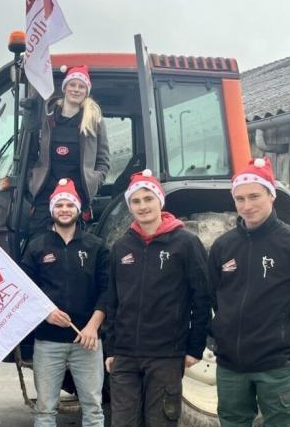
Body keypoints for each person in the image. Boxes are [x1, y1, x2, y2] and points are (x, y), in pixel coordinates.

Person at [208, 157, 290, 427]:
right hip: (230, 366)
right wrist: (222, 333)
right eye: (240, 199)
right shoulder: (223, 246)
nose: (247, 206)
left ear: (271, 195)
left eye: (254, 196)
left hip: (276, 367)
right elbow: (213, 297)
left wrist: (288, 343)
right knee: (232, 422)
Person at [104, 169, 211, 427]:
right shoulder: (121, 247)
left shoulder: (185, 243)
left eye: (148, 199)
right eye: (136, 201)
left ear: (160, 201)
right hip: (126, 355)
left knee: (160, 422)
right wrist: (110, 349)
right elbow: (113, 301)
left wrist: (195, 347)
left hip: (166, 355)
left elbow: (202, 297)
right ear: (130, 206)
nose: (143, 206)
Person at [20, 178, 110, 427]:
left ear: (78, 209)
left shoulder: (96, 247)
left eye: (69, 205)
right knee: (45, 410)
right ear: (52, 210)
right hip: (48, 342)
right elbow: (26, 290)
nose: (64, 210)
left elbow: (107, 290)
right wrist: (46, 313)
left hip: (87, 341)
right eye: (59, 205)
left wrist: (93, 327)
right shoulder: (37, 247)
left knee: (93, 408)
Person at [28, 64, 110, 234]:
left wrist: (93, 181)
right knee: (39, 242)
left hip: (77, 194)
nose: (76, 90)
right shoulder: (47, 117)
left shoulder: (94, 121)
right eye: (72, 85)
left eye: (81, 86)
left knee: (73, 246)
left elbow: (103, 160)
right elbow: (31, 152)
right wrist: (32, 180)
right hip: (46, 193)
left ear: (86, 91)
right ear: (65, 88)